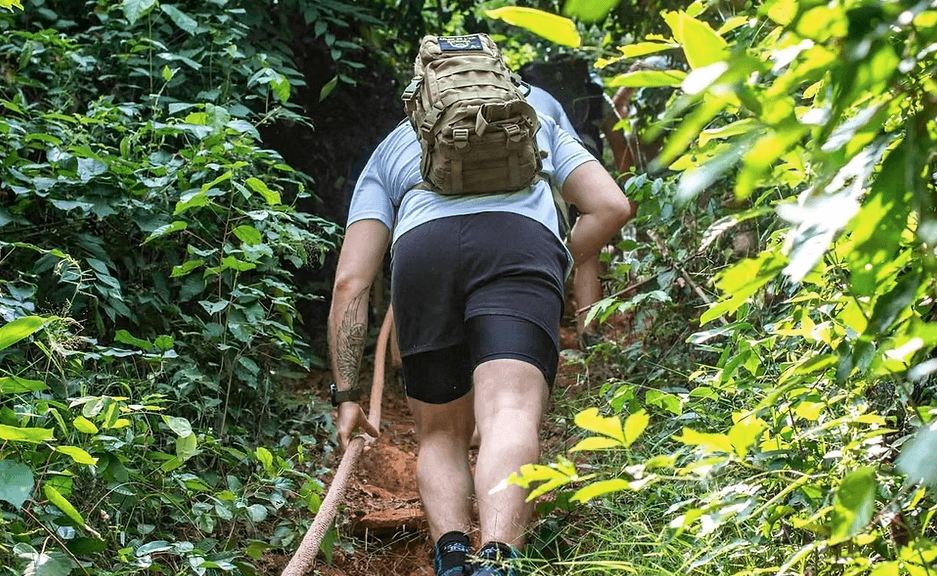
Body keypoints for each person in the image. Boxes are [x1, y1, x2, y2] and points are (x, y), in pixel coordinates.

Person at [327, 39, 635, 576]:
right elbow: (610, 206)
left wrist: (348, 394)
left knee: (441, 432)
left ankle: (451, 557)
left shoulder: (394, 145)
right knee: (511, 412)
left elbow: (351, 282)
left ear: (421, 89)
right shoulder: (535, 116)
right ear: (499, 73)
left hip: (423, 256)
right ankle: (497, 559)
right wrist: (551, 267)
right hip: (521, 247)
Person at [520, 57, 634, 345]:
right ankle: (588, 332)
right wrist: (627, 183)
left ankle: (536, 325)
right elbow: (619, 141)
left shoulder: (528, 92)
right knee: (589, 251)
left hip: (539, 168)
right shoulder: (595, 95)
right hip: (583, 169)